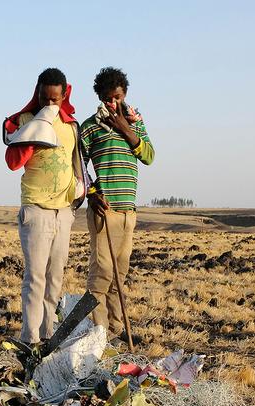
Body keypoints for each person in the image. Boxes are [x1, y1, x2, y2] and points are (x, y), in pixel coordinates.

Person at [3, 68, 86, 346]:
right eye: (44, 98)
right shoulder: (25, 121)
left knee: (55, 278)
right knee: (35, 277)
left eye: (54, 100)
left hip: (63, 213)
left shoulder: (72, 126)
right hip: (36, 211)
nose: (49, 104)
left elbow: (78, 165)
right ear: (37, 93)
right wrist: (39, 123)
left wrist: (79, 194)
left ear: (64, 96)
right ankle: (30, 340)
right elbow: (13, 162)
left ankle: (48, 336)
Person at [79, 67, 155, 343]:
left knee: (119, 274)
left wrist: (125, 128)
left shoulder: (136, 122)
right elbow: (79, 167)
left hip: (128, 211)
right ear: (100, 97)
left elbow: (148, 156)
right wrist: (91, 193)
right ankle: (97, 333)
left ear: (125, 95)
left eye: (118, 97)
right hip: (105, 210)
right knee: (102, 272)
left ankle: (115, 328)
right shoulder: (89, 127)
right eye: (108, 99)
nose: (113, 103)